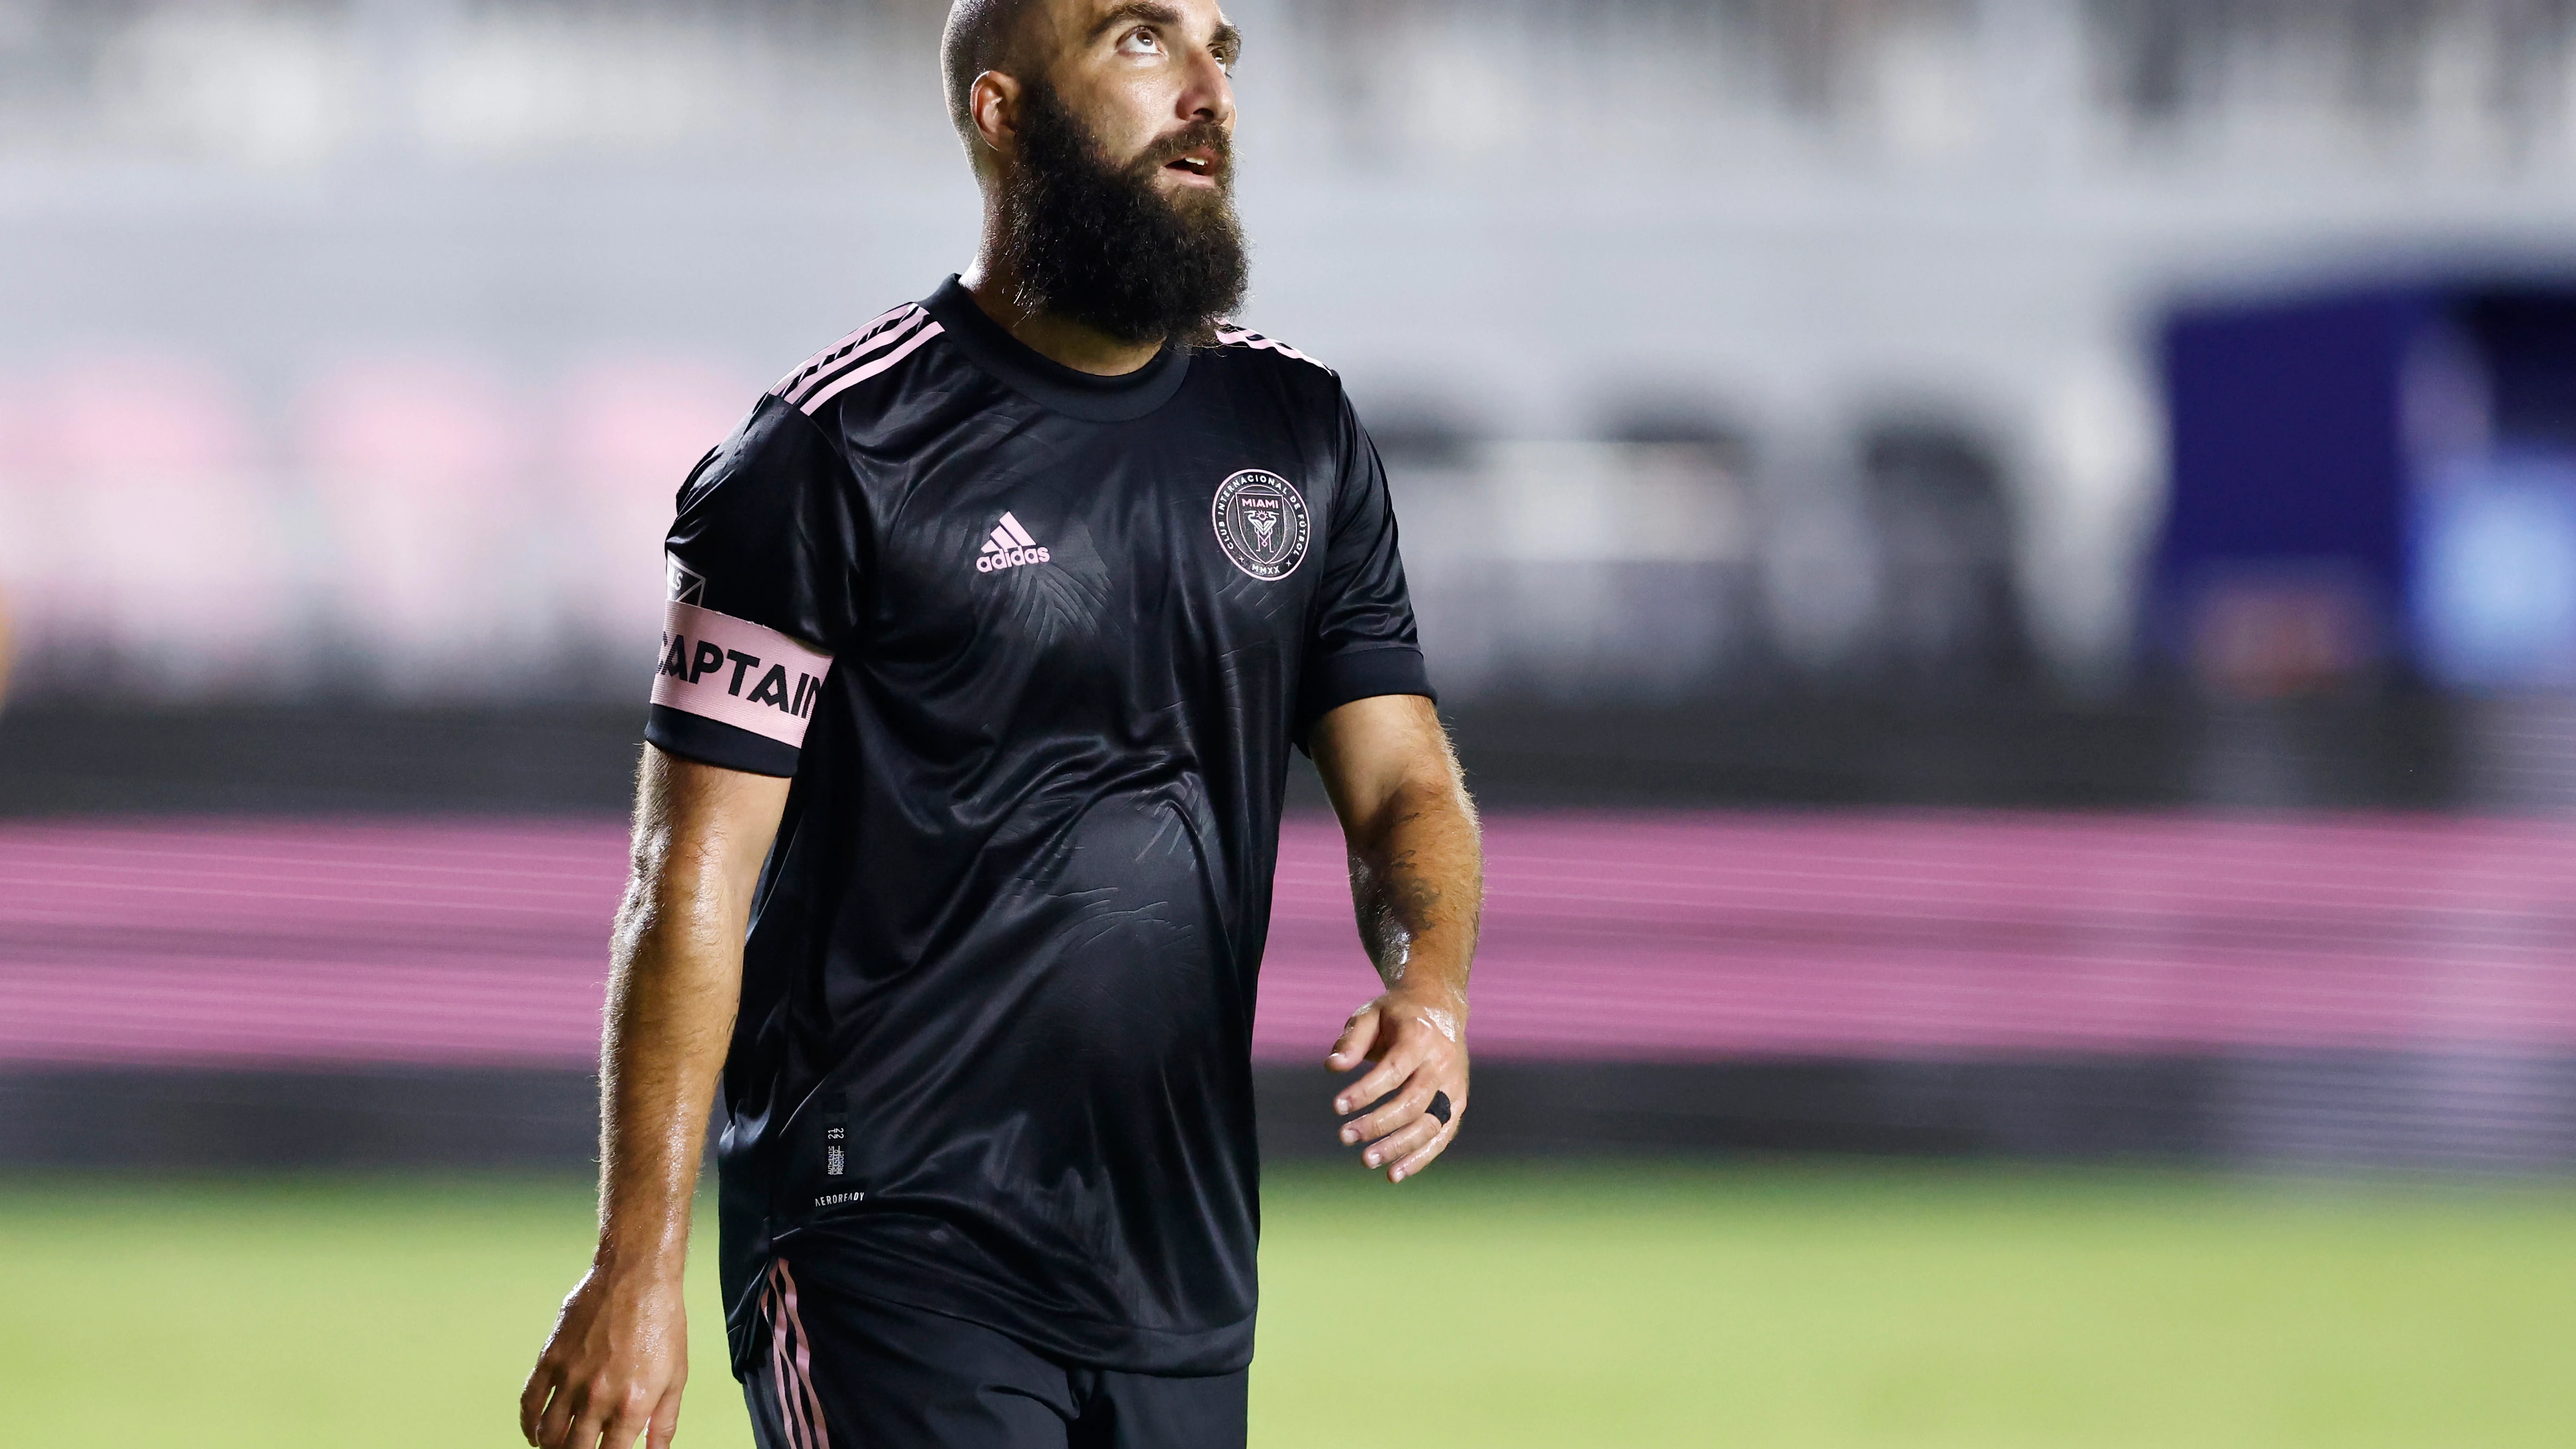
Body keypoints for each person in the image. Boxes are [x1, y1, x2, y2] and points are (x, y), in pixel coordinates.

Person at [518, 3, 1482, 1447]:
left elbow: (1405, 781)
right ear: (1002, 112)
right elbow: (688, 884)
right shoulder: (826, 455)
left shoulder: (1296, 433)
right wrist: (635, 1264)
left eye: (1224, 48)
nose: (1208, 89)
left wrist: (1434, 981)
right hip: (880, 1240)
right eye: (1144, 41)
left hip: (1176, 1270)